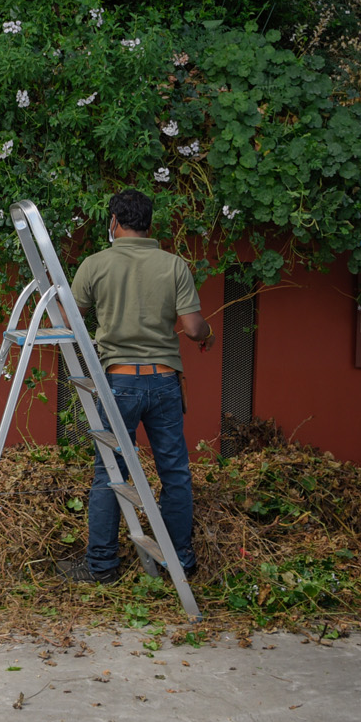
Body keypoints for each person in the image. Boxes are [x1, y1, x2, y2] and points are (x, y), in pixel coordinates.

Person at [59, 188, 212, 583]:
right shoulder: (173, 265)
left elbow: (69, 321)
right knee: (174, 473)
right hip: (163, 381)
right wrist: (207, 333)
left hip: (119, 381)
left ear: (114, 222)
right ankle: (177, 562)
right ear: (150, 224)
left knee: (110, 473)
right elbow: (194, 328)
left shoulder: (94, 265)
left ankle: (102, 567)